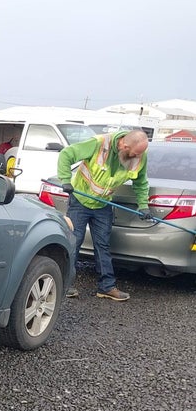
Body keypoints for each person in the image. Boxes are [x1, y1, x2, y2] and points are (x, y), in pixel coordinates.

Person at [57, 129, 150, 302]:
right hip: (80, 201)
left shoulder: (139, 156)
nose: (137, 157)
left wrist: (143, 205)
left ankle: (106, 287)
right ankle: (65, 284)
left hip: (103, 204)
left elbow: (141, 181)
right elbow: (66, 154)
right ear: (124, 145)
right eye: (135, 153)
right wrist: (65, 180)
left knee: (103, 245)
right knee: (74, 242)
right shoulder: (99, 144)